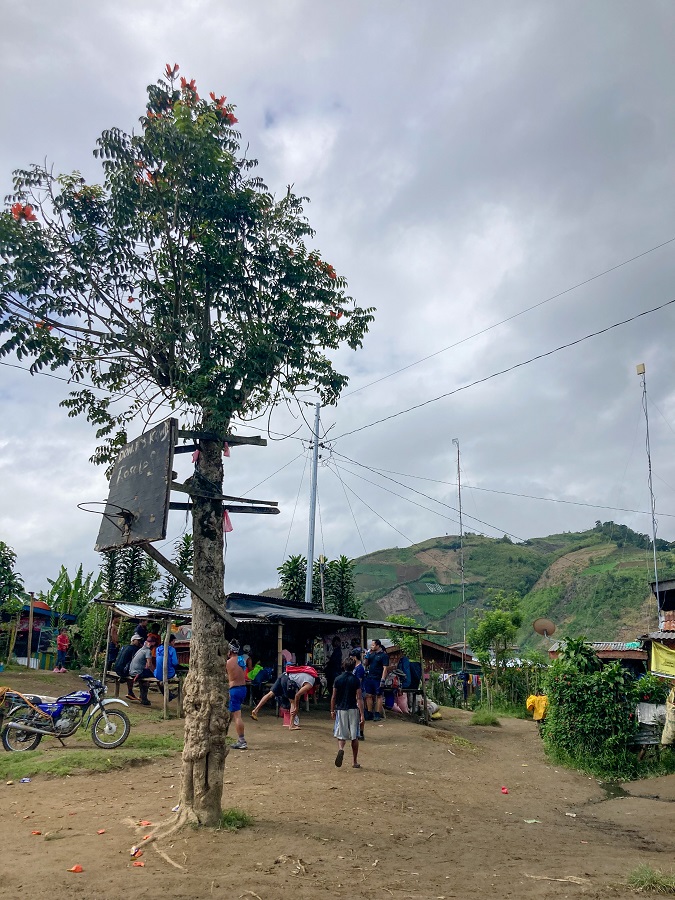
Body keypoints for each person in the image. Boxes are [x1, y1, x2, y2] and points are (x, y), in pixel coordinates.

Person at [331, 657, 365, 769]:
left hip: (341, 709)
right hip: (353, 709)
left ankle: (341, 749)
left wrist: (332, 710)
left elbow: (334, 697)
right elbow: (359, 698)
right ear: (354, 667)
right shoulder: (356, 680)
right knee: (354, 736)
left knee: (341, 735)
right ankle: (354, 761)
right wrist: (362, 714)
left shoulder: (338, 679)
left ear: (343, 666)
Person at [226, 640, 249, 750]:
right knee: (231, 714)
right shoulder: (241, 660)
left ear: (230, 651)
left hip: (234, 689)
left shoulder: (228, 663)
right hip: (243, 688)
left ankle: (242, 741)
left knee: (237, 716)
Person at [363, 639, 390, 721]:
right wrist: (366, 656)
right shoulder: (372, 654)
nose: (371, 646)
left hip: (378, 678)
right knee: (368, 695)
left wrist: (383, 679)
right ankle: (369, 713)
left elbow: (385, 668)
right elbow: (365, 664)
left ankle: (377, 713)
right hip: (370, 677)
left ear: (378, 646)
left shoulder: (384, 656)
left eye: (373, 645)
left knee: (379, 695)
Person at [286, 666, 318, 730]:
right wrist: (297, 707)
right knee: (293, 703)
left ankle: (293, 723)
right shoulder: (310, 684)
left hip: (287, 678)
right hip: (289, 681)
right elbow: (297, 695)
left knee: (293, 703)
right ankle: (291, 725)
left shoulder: (311, 677)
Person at [128, 636, 156, 706]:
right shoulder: (148, 651)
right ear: (152, 644)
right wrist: (155, 672)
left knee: (145, 677)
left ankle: (142, 697)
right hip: (137, 673)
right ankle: (144, 698)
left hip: (131, 671)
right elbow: (149, 665)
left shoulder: (140, 650)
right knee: (152, 676)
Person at [116, 633, 144, 698]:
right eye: (138, 640)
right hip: (123, 670)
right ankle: (137, 694)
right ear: (133, 640)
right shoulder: (134, 648)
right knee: (139, 674)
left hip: (117, 669)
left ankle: (130, 692)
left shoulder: (124, 647)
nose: (139, 642)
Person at [154, 634, 179, 702]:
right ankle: (170, 695)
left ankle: (168, 695)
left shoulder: (158, 649)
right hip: (168, 674)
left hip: (157, 674)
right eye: (174, 641)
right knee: (175, 673)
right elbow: (175, 663)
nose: (174, 643)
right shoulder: (171, 649)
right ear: (170, 641)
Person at [350, 648, 366, 740]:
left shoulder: (359, 668)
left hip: (359, 691)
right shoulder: (355, 667)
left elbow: (358, 681)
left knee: (360, 712)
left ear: (355, 657)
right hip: (356, 690)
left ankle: (361, 732)